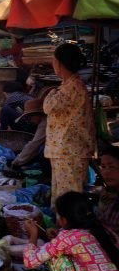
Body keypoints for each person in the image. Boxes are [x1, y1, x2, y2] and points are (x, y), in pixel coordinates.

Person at [43, 43, 94, 205]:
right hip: (65, 150)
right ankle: (63, 228)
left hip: (70, 151)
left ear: (59, 63)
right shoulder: (69, 85)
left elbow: (48, 107)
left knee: (69, 198)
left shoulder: (72, 87)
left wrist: (50, 92)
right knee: (61, 196)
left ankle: (72, 229)